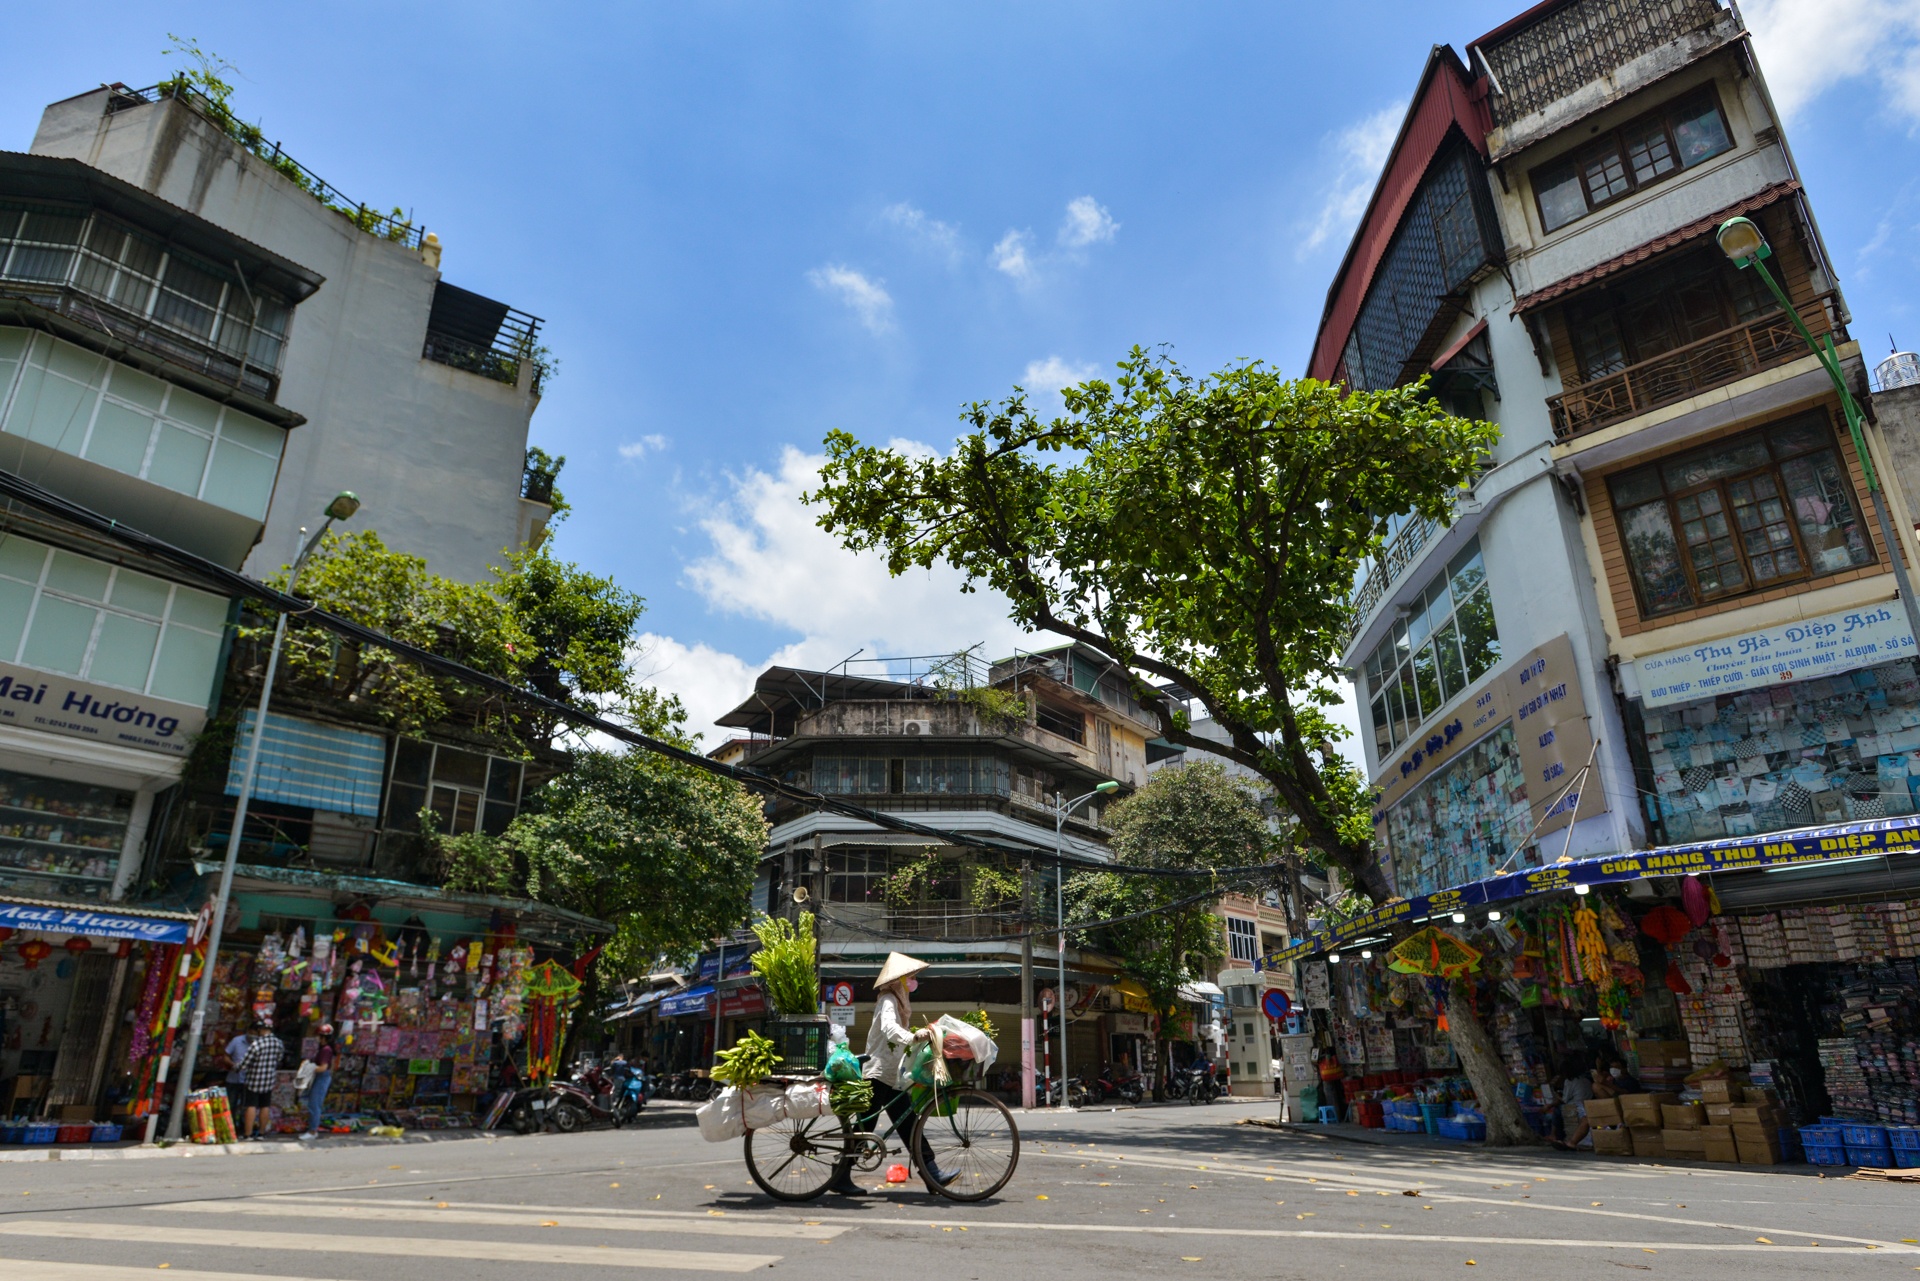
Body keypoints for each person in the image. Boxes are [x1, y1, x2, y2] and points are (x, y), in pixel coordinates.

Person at [829, 951, 947, 1197]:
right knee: (866, 1126)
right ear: (898, 980)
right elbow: (890, 1029)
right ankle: (840, 1176)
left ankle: (931, 1173)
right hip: (878, 1073)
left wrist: (915, 1036)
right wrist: (913, 1037)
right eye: (910, 977)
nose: (913, 982)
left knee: (908, 1123)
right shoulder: (888, 1000)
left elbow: (898, 1032)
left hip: (891, 1075)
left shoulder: (898, 1002)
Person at [236, 1018, 285, 1140]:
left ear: (261, 1030)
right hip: (268, 1080)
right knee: (265, 1106)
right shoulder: (278, 1043)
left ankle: (248, 1134)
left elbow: (245, 1063)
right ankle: (262, 1133)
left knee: (251, 1105)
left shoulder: (257, 1044)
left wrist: (236, 1067)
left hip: (254, 1080)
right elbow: (279, 1059)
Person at [300, 1024, 336, 1140]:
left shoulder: (326, 1050)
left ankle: (312, 1131)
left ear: (323, 1037)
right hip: (320, 1078)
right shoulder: (324, 1049)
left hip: (322, 1078)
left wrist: (308, 1068)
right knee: (314, 1103)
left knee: (314, 1105)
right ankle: (312, 1129)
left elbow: (323, 1068)